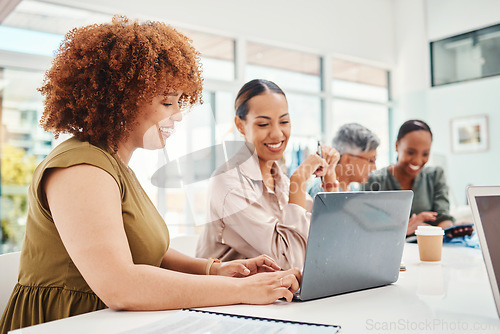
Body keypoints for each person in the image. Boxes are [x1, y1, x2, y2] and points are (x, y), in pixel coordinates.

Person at [0, 17, 301, 333]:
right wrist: (244, 291)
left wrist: (215, 270)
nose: (178, 114)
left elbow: (145, 250)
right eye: (167, 102)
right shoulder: (82, 168)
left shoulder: (113, 165)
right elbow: (120, 286)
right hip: (67, 323)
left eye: (179, 102)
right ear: (120, 99)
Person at [196, 79, 340, 270]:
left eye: (284, 121)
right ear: (240, 125)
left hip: (270, 295)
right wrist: (299, 180)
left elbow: (333, 234)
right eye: (263, 124)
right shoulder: (229, 184)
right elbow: (291, 262)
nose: (277, 134)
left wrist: (329, 177)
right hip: (227, 297)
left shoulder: (278, 179)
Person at [364, 119, 454, 236]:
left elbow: (443, 218)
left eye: (425, 154)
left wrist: (452, 230)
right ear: (397, 146)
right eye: (410, 152)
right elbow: (369, 226)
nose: (417, 160)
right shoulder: (375, 180)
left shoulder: (435, 176)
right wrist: (407, 228)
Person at [308, 123, 379, 197]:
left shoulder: (352, 189)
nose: (374, 168)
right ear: (347, 160)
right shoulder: (321, 191)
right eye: (371, 161)